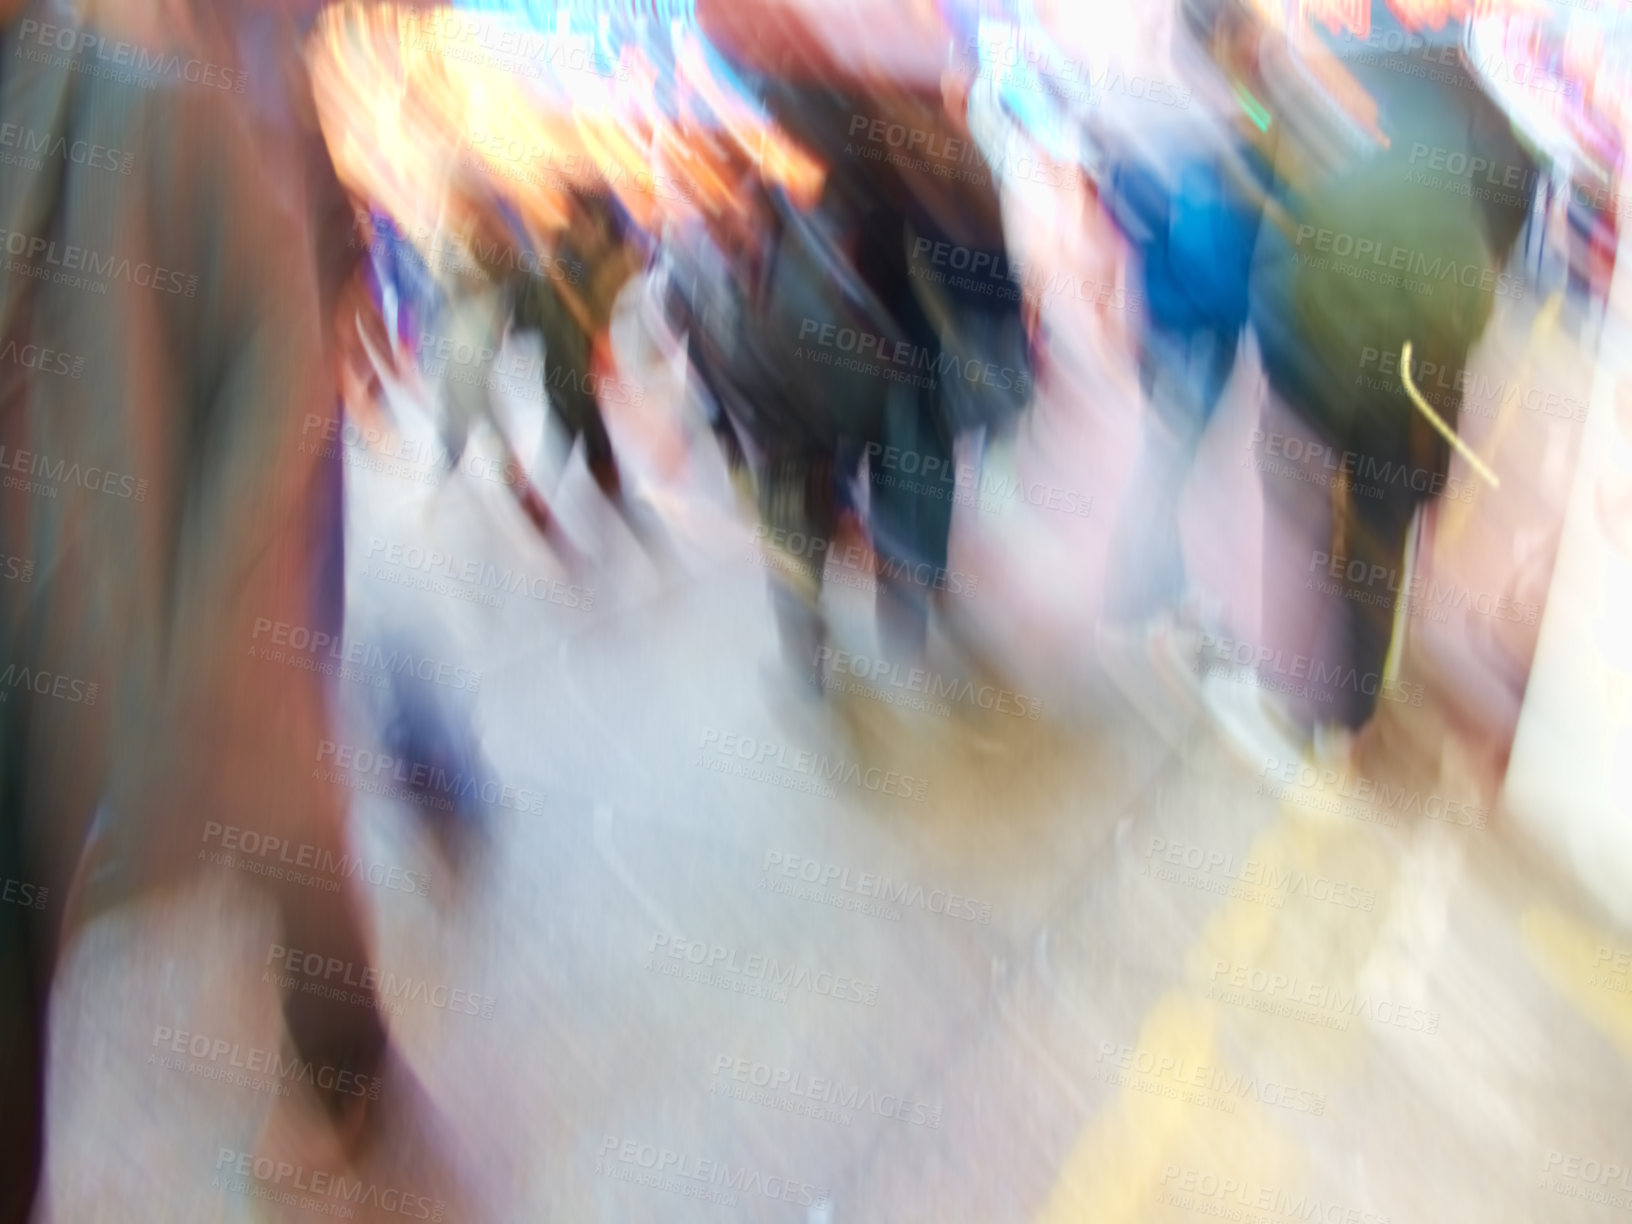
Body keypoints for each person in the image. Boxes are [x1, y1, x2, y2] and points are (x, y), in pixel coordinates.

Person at [1, 2, 389, 1215]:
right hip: (129, 458)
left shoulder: (148, 70)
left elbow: (302, 195)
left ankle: (342, 1051)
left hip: (219, 418)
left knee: (278, 751)